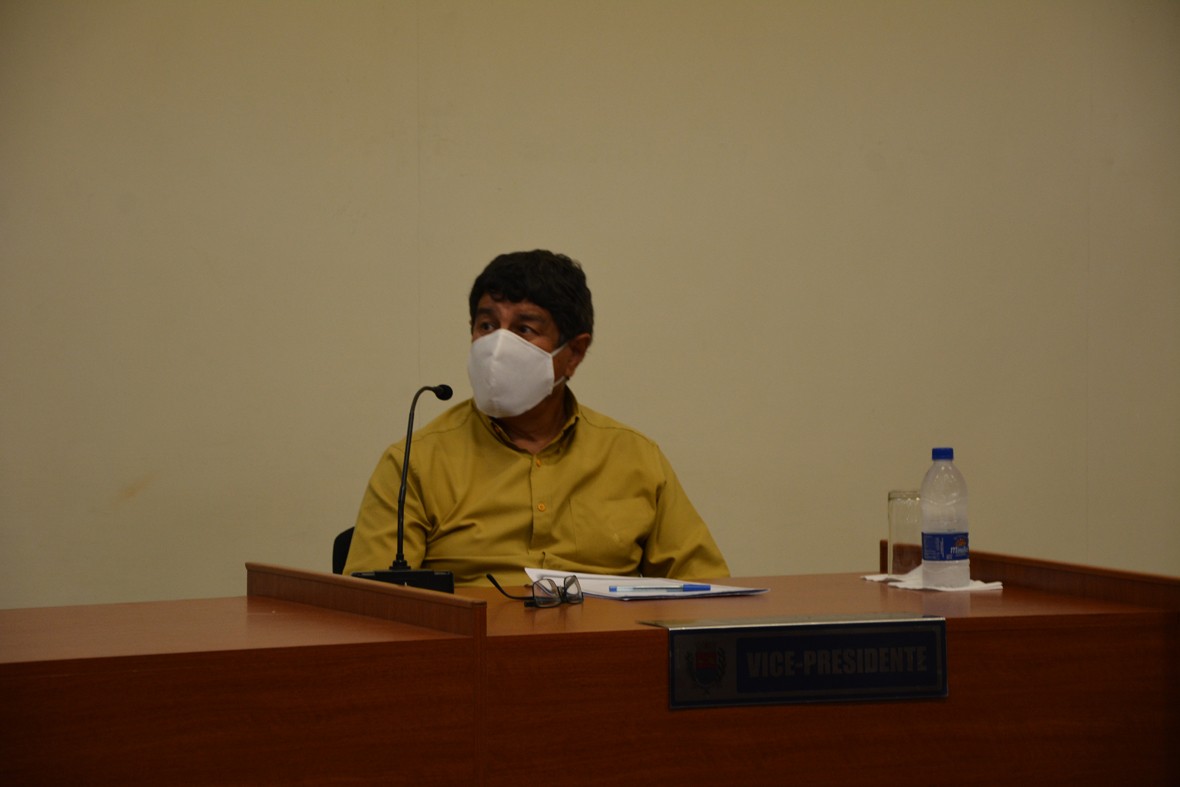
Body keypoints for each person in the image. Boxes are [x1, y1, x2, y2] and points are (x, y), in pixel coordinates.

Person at [343, 250, 729, 586]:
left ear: (574, 353)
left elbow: (706, 593)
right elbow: (371, 609)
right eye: (487, 326)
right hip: (473, 645)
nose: (497, 347)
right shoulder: (414, 463)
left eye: (524, 329)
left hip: (603, 643)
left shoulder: (636, 458)